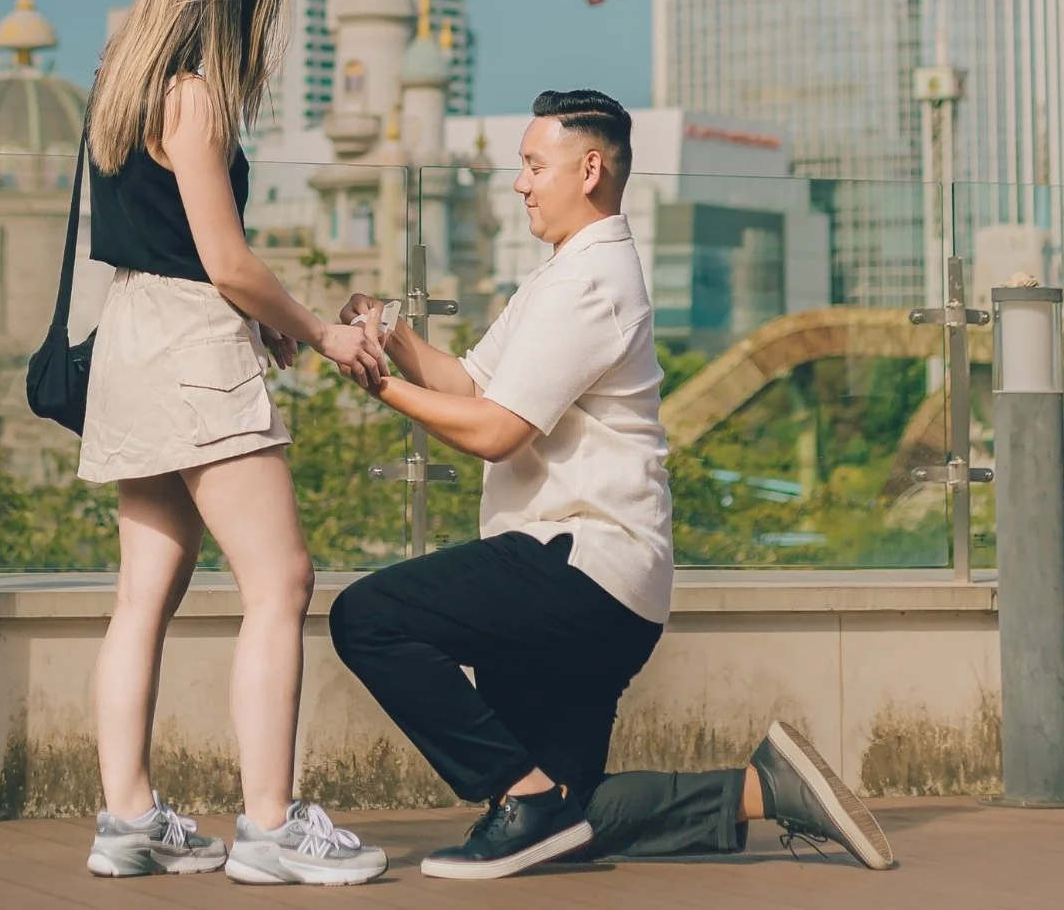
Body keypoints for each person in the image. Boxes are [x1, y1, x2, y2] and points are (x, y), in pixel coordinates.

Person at [329, 89, 892, 879]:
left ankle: (516, 799)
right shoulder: (562, 276)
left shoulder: (588, 283)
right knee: (570, 813)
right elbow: (467, 383)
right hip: (603, 586)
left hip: (575, 566)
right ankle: (763, 791)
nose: (519, 183)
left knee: (368, 618)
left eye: (532, 165)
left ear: (588, 168)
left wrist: (372, 381)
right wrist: (388, 338)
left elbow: (494, 429)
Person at [79, 0, 389, 886]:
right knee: (281, 579)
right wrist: (316, 330)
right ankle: (270, 825)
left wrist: (261, 322)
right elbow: (224, 258)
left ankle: (127, 816)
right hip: (190, 345)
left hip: (131, 342)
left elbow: (165, 248)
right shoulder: (195, 98)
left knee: (143, 596)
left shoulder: (118, 91)